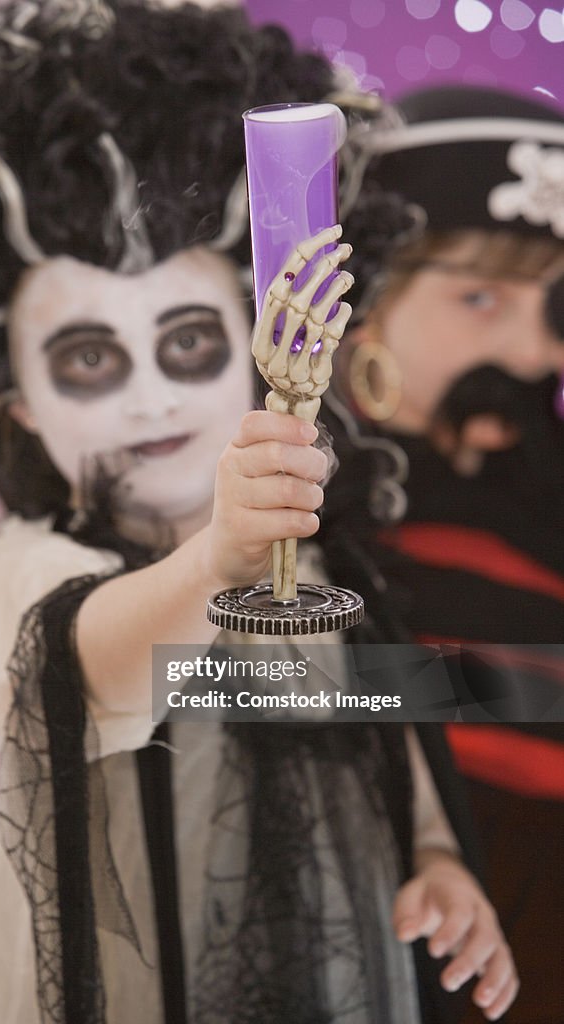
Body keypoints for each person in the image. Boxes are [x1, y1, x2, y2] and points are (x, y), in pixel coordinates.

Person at [0, 6, 517, 1023]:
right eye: (88, 358)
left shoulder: (323, 581)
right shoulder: (20, 570)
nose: (148, 397)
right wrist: (213, 558)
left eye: (186, 343)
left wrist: (441, 868)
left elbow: (393, 759)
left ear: (266, 339)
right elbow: (84, 674)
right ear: (15, 405)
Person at [337, 84, 564, 1024]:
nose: (527, 350)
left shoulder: (540, 505)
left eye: (552, 308)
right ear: (363, 306)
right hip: (378, 939)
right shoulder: (288, 502)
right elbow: (188, 686)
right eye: (478, 297)